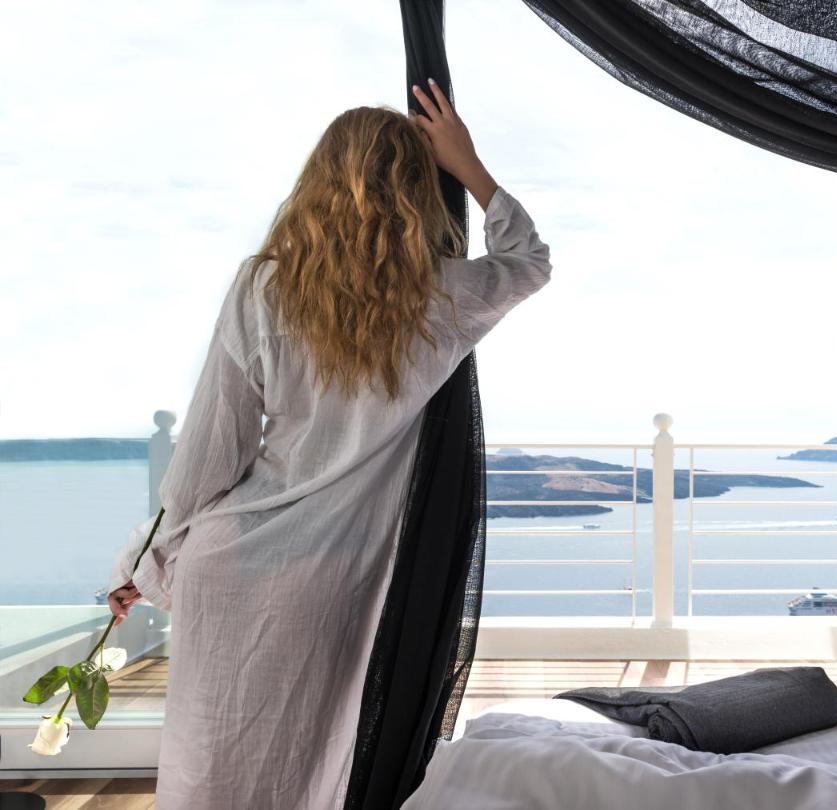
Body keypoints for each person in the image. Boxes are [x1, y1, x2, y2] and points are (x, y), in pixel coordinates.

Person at [105, 79, 551, 808]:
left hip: (233, 562)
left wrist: (143, 560)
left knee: (210, 772)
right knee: (312, 767)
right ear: (418, 193)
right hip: (340, 578)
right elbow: (528, 260)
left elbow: (208, 457)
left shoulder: (262, 287)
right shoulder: (441, 298)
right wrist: (469, 165)